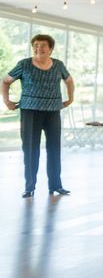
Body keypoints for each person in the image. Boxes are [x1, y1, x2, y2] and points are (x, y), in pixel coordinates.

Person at [2, 34, 74, 198]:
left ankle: (56, 185)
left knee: (54, 148)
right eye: (35, 45)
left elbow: (69, 80)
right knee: (31, 149)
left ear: (50, 48)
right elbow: (5, 81)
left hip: (53, 111)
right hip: (30, 111)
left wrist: (71, 98)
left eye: (42, 45)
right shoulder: (24, 64)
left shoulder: (58, 65)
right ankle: (29, 187)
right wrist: (7, 101)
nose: (38, 48)